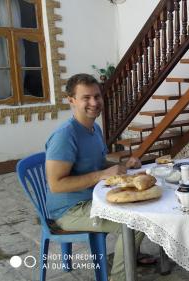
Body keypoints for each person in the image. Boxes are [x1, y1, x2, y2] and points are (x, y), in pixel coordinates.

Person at [45, 73, 152, 281]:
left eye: (97, 96)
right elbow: (56, 185)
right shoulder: (65, 136)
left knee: (143, 205)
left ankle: (129, 256)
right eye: (86, 97)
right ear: (71, 100)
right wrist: (102, 175)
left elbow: (98, 163)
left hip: (93, 199)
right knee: (135, 223)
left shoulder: (94, 128)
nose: (94, 102)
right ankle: (120, 277)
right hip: (69, 210)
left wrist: (122, 166)